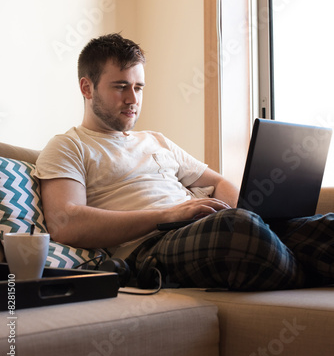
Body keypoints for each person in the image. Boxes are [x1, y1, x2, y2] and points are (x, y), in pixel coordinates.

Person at [34, 33, 334, 291]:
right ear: (87, 88)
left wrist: (240, 214)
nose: (132, 99)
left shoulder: (157, 140)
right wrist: (171, 215)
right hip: (149, 249)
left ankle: (277, 251)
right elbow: (65, 223)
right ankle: (307, 270)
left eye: (138, 88)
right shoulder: (68, 146)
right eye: (120, 86)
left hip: (213, 229)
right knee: (239, 228)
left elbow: (219, 183)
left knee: (326, 225)